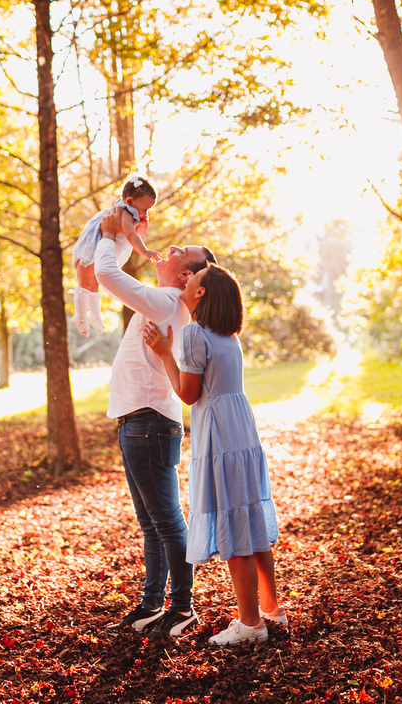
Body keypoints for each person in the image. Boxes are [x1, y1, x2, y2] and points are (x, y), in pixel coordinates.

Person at [144, 264, 285, 646]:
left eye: (193, 278)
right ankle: (272, 610)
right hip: (241, 430)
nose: (186, 279)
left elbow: (188, 394)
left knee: (234, 525)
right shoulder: (229, 337)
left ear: (201, 293)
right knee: (251, 521)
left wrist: (163, 354)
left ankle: (251, 625)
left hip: (219, 436)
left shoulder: (194, 333)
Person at [94, 205, 215, 638]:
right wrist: (129, 236)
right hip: (139, 421)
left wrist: (111, 236)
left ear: (187, 277)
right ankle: (151, 605)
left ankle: (181, 609)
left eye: (185, 251)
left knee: (166, 522)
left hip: (147, 423)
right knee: (153, 523)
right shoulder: (166, 301)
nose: (175, 246)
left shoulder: (166, 301)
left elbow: (108, 276)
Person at [70, 173, 162, 337]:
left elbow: (137, 232)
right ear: (130, 201)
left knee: (94, 282)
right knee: (85, 281)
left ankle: (95, 315)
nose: (145, 213)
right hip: (92, 246)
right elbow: (131, 236)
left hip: (100, 246)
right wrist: (145, 251)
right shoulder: (124, 212)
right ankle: (80, 316)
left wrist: (143, 224)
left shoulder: (132, 213)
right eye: (144, 209)